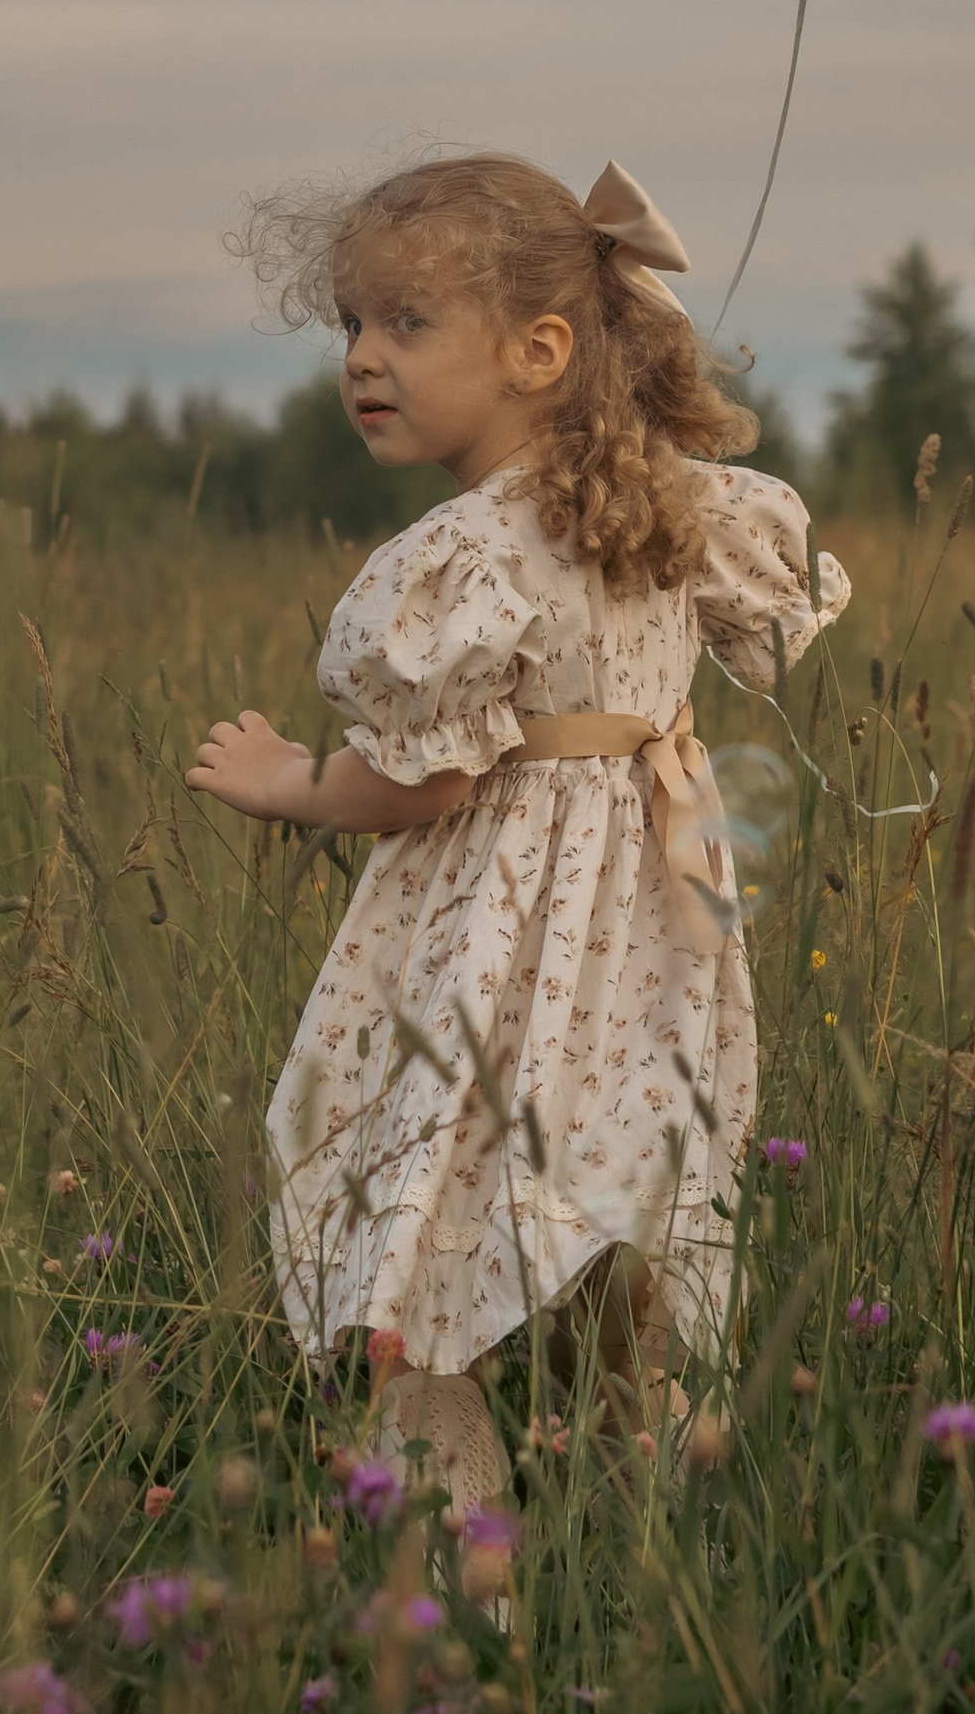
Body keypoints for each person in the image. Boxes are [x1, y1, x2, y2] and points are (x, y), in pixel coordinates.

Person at [184, 151, 849, 1519]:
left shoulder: (467, 555)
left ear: (540, 349)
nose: (364, 358)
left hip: (493, 953)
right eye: (350, 327)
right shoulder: (669, 509)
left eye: (406, 325)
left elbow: (424, 787)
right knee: (618, 1242)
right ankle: (651, 1560)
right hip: (652, 945)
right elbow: (763, 633)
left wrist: (292, 783)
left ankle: (458, 1600)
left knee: (412, 1263)